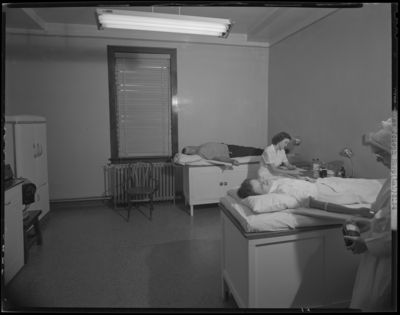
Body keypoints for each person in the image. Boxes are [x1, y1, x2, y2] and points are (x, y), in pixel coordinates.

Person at [341, 117, 393, 312]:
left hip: (388, 259)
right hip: (379, 253)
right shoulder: (393, 176)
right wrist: (370, 224)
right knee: (368, 298)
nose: (378, 159)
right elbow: (387, 216)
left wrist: (367, 244)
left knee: (377, 301)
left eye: (381, 154)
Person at [237, 176, 381, 218]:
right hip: (329, 193)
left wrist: (305, 179)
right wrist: (354, 212)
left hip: (324, 183)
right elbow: (320, 205)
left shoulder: (275, 183)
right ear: (261, 195)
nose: (264, 181)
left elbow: (291, 182)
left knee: (368, 182)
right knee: (371, 191)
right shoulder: (282, 195)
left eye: (260, 180)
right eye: (261, 186)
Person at [182, 142, 264, 166]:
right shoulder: (201, 153)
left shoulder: (200, 146)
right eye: (190, 150)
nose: (191, 148)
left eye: (189, 147)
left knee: (252, 149)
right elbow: (217, 158)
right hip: (230, 152)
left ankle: (267, 151)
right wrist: (231, 161)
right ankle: (268, 152)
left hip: (228, 146)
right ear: (191, 154)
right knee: (251, 151)